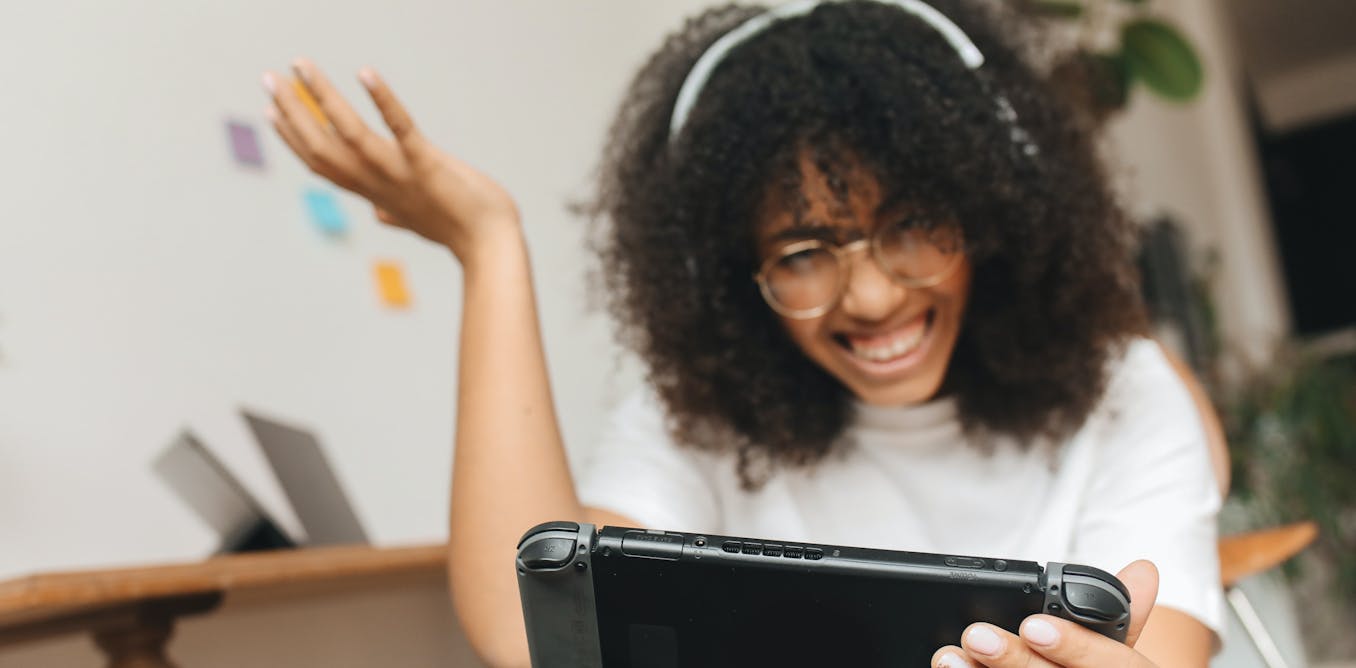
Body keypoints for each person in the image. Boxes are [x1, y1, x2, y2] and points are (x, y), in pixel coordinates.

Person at [261, 0, 1222, 665]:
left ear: (990, 210)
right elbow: (529, 629)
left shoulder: (1125, 390)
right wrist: (488, 245)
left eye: (916, 225)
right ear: (732, 280)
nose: (874, 296)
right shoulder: (703, 415)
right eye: (804, 252)